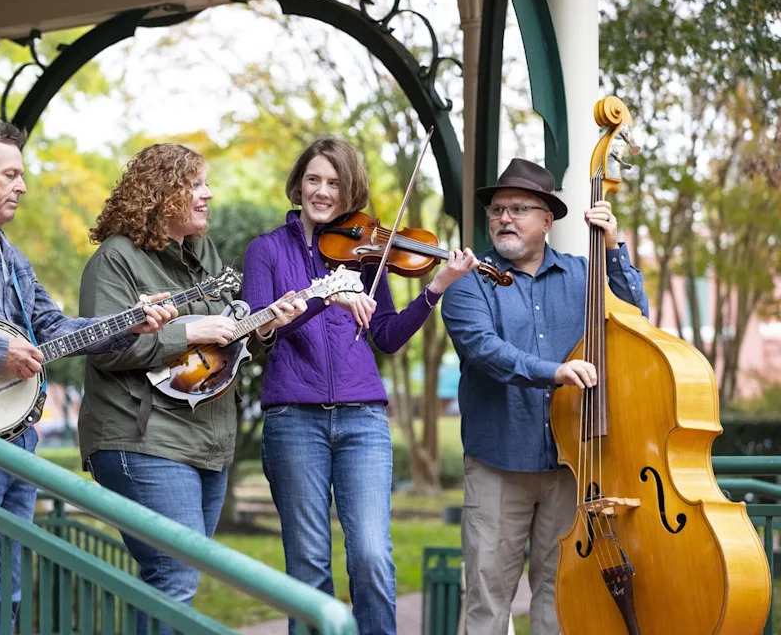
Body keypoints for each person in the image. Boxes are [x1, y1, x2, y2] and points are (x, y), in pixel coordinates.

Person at [0, 117, 175, 634]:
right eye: (11, 174)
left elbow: (55, 328)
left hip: (20, 438)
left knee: (4, 588)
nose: (22, 185)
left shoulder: (14, 259)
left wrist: (132, 321)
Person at [241, 136, 479, 634]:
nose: (321, 191)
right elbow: (263, 327)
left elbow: (388, 337)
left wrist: (435, 288)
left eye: (334, 182)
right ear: (298, 183)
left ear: (350, 190)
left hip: (363, 418)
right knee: (307, 564)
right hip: (294, 417)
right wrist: (326, 296)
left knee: (371, 555)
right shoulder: (265, 250)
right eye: (313, 179)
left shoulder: (368, 254)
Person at [77, 142, 306, 633]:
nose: (208, 194)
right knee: (174, 573)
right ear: (163, 193)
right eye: (196, 184)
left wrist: (262, 327)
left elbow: (223, 339)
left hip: (205, 440)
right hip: (140, 438)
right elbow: (102, 345)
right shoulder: (116, 259)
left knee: (178, 575)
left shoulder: (203, 254)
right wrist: (188, 329)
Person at [440, 157, 650, 635]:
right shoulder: (468, 281)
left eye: (517, 208)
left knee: (560, 600)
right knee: (487, 599)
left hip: (570, 466)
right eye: (496, 210)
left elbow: (637, 321)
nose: (503, 219)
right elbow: (483, 350)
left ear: (547, 220)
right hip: (498, 463)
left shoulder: (584, 275)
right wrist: (554, 372)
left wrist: (614, 248)